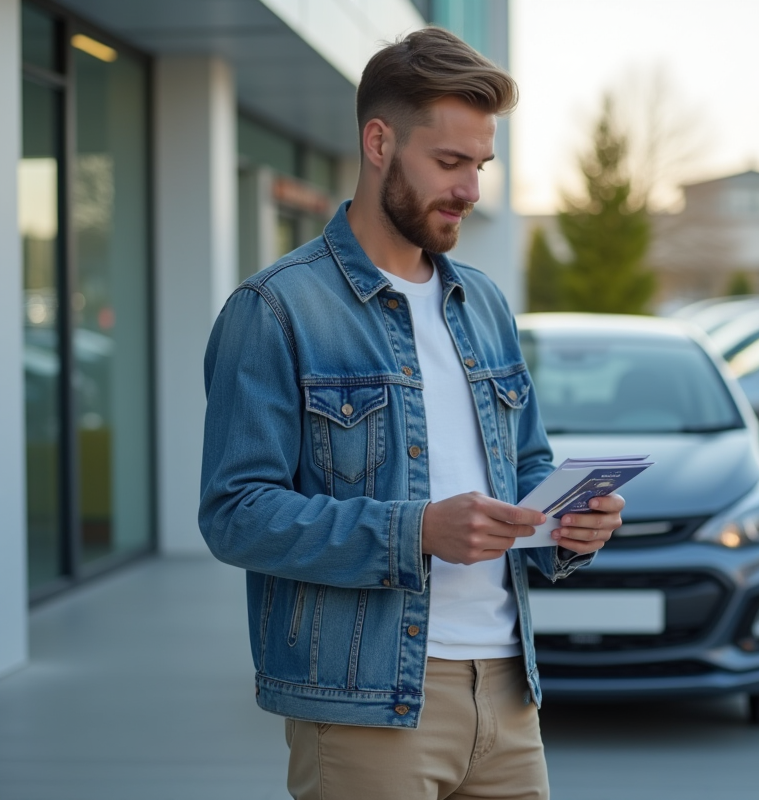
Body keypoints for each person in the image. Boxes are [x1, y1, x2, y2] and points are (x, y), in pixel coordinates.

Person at [198, 27, 623, 800]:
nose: (470, 190)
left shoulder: (485, 303)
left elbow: (526, 464)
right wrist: (416, 532)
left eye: (480, 166)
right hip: (367, 704)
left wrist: (569, 526)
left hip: (507, 692)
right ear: (378, 141)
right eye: (450, 163)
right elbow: (235, 513)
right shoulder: (276, 310)